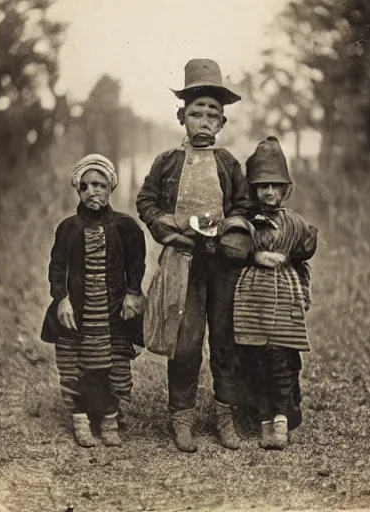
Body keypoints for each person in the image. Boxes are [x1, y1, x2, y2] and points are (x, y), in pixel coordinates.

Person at [136, 58, 252, 453]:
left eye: (212, 115)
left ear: (222, 123)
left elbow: (243, 205)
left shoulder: (228, 163)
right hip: (183, 264)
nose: (203, 120)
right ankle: (181, 417)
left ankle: (225, 417)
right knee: (185, 342)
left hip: (221, 264)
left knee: (224, 339)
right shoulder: (167, 162)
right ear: (181, 116)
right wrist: (164, 226)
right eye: (196, 113)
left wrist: (232, 228)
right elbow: (146, 200)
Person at [41, 154, 146, 447]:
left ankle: (109, 417)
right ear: (78, 190)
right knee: (75, 365)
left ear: (110, 187)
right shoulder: (68, 227)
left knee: (112, 365)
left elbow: (136, 264)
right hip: (77, 310)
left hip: (112, 309)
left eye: (99, 185)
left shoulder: (126, 227)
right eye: (85, 186)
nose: (92, 192)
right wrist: (61, 299)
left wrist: (133, 293)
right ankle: (81, 419)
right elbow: (57, 268)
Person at [233, 136, 318, 450]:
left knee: (282, 357)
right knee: (255, 356)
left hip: (284, 298)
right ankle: (265, 416)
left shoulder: (295, 223)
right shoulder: (246, 221)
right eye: (262, 186)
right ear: (253, 190)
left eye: (276, 186)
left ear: (286, 189)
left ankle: (281, 416)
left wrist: (303, 293)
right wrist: (254, 256)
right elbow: (232, 247)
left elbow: (303, 259)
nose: (269, 192)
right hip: (252, 298)